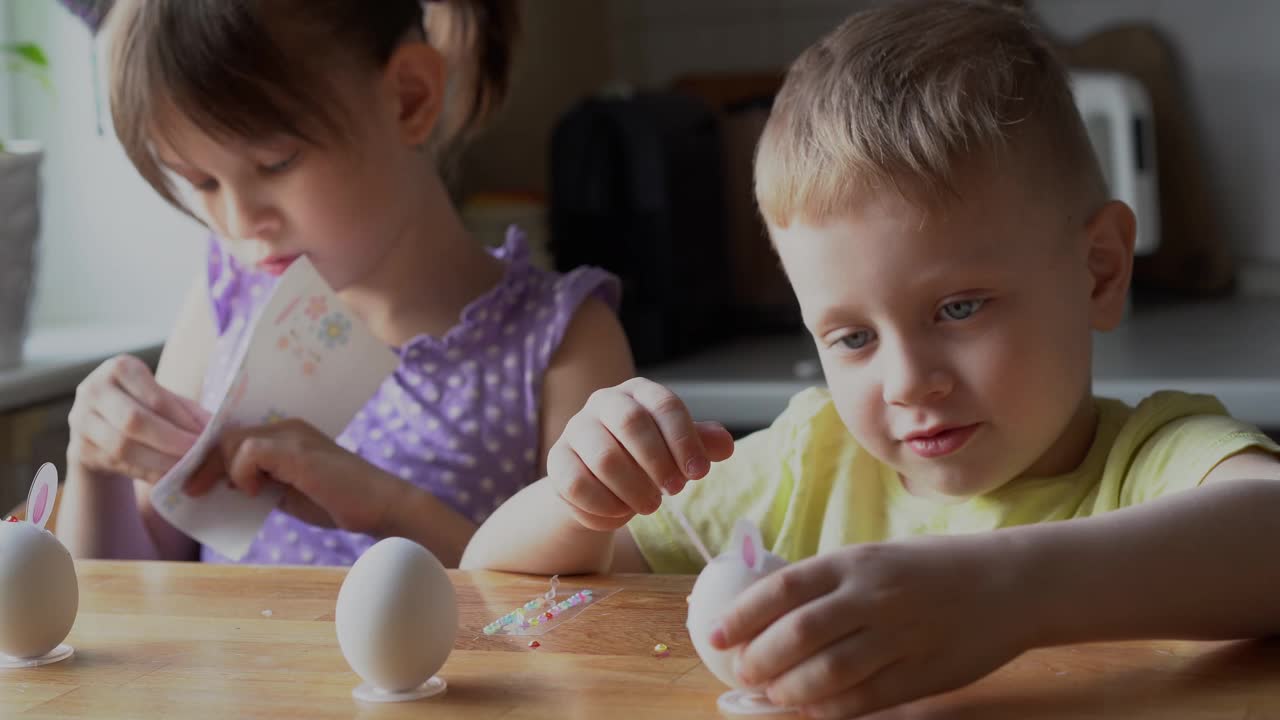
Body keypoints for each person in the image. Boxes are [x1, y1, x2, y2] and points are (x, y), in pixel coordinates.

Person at [461, 0, 1280, 715]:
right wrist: (582, 499)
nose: (906, 381)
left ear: (1100, 270)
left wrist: (1005, 594)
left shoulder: (1147, 463)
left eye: (959, 308)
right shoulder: (806, 465)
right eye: (851, 336)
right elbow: (493, 582)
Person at [56, 0, 633, 569]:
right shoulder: (228, 296)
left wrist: (389, 507)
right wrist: (95, 466)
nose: (239, 222)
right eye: (201, 181)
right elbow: (134, 585)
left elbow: (582, 611)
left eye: (276, 163)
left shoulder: (562, 341)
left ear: (410, 98)